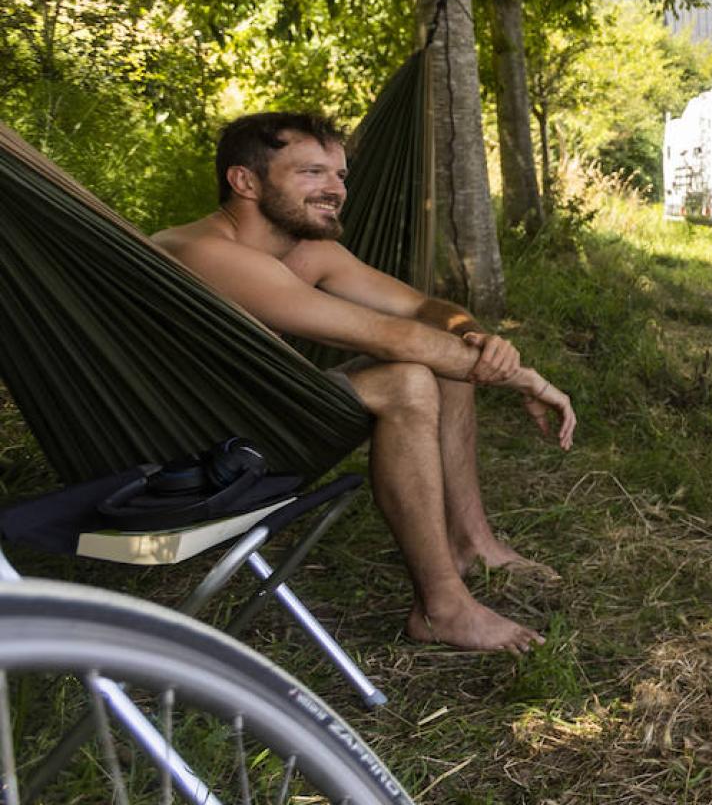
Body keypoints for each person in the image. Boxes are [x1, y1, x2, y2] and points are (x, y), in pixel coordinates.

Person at [155, 112, 576, 653]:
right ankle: (441, 607)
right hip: (189, 448)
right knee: (408, 380)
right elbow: (389, 337)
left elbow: (424, 309)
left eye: (340, 175)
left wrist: (474, 335)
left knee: (447, 360)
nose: (335, 189)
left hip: (258, 414)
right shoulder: (204, 253)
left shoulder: (307, 251)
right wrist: (520, 378)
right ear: (245, 182)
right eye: (311, 172)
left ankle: (473, 543)